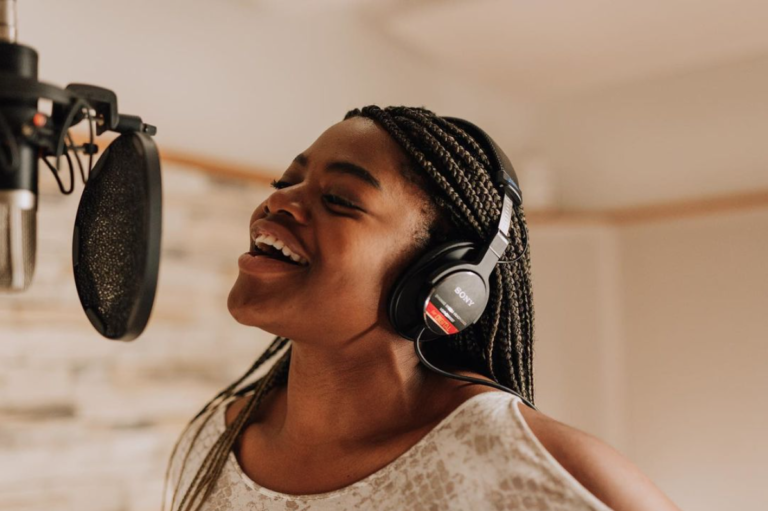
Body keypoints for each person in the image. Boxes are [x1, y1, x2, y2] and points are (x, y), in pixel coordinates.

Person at [163, 105, 681, 511]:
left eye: (339, 199)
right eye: (285, 183)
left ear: (444, 275)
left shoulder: (535, 469)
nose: (278, 201)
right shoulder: (212, 441)